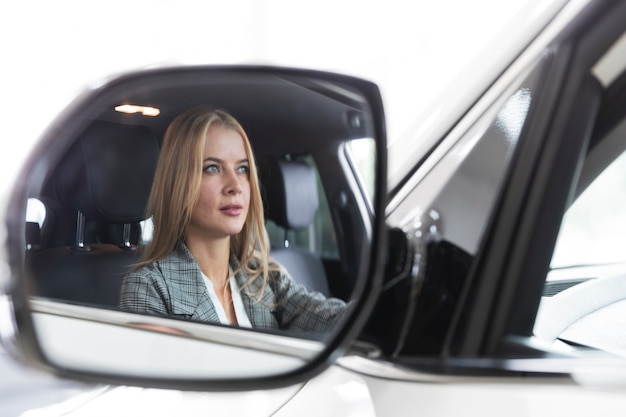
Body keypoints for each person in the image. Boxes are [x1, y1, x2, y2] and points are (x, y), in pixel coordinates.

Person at [119, 106, 347, 334]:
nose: (235, 186)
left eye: (242, 169)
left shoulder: (264, 277)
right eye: (213, 168)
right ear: (178, 182)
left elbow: (331, 317)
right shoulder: (149, 287)